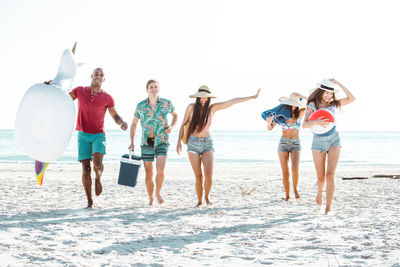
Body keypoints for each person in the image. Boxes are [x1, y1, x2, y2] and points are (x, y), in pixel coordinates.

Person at [176, 86, 260, 207]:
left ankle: (206, 197)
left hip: (207, 143)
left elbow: (232, 101)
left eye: (206, 98)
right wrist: (178, 141)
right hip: (192, 143)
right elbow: (183, 124)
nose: (204, 100)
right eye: (201, 98)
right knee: (198, 177)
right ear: (198, 98)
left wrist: (252, 97)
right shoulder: (191, 107)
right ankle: (199, 201)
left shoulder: (212, 109)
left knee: (209, 175)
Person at [70, 68, 128, 208]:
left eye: (101, 75)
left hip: (98, 134)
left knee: (97, 164)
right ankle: (89, 201)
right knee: (85, 167)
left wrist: (121, 122)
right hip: (82, 134)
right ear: (91, 76)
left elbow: (114, 115)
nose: (98, 76)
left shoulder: (107, 97)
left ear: (104, 79)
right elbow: (63, 99)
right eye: (96, 74)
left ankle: (98, 178)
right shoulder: (80, 90)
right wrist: (51, 87)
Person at [302, 79, 355, 214]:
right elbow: (304, 124)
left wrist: (338, 83)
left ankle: (328, 207)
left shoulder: (333, 104)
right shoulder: (313, 105)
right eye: (326, 93)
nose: (329, 96)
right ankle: (319, 192)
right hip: (318, 141)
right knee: (321, 178)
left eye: (331, 94)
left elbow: (352, 98)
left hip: (334, 139)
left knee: (330, 175)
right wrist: (316, 121)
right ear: (321, 92)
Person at [129, 80, 178, 205]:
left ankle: (158, 193)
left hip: (162, 139)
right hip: (148, 141)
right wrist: (132, 142)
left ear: (158, 89)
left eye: (156, 87)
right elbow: (134, 124)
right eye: (151, 87)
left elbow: (175, 115)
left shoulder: (166, 103)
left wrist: (171, 127)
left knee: (160, 171)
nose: (153, 89)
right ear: (147, 90)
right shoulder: (141, 106)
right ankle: (151, 197)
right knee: (149, 173)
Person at [261, 92, 307, 201]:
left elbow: (312, 104)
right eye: (292, 103)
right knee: (285, 172)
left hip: (295, 143)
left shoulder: (300, 112)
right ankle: (287, 195)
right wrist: (268, 123)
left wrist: (302, 96)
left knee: (295, 168)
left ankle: (295, 189)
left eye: (296, 103)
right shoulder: (280, 114)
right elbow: (269, 128)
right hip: (283, 144)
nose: (294, 105)